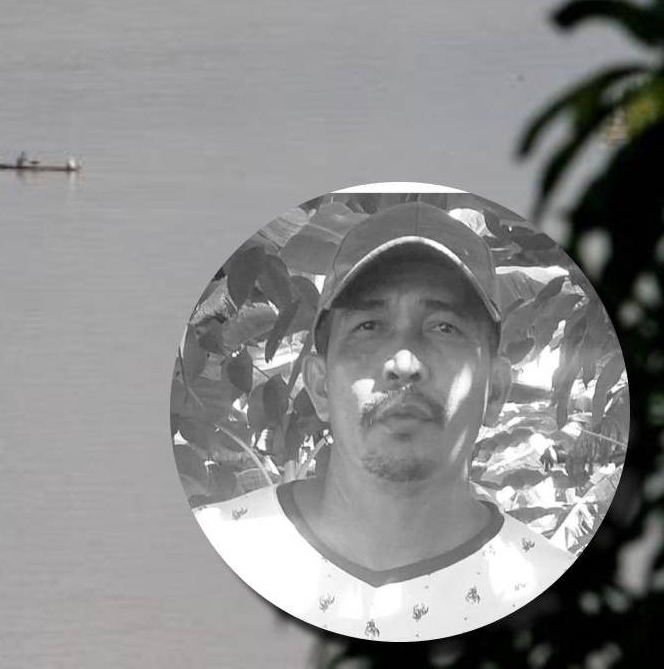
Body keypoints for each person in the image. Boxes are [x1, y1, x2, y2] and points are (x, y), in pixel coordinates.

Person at [193, 201, 575, 641]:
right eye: (369, 326)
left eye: (444, 326)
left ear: (496, 391)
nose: (405, 362)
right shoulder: (214, 553)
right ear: (319, 387)